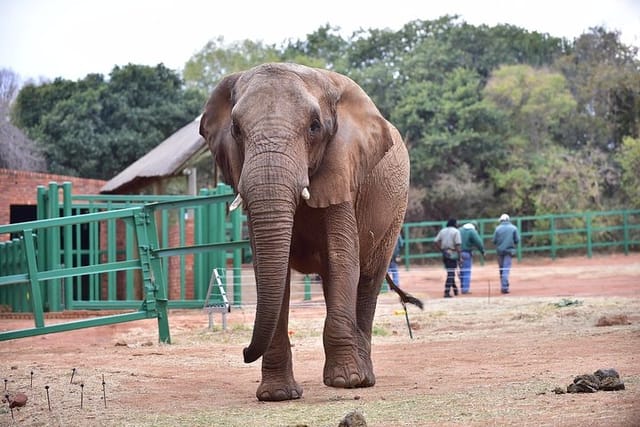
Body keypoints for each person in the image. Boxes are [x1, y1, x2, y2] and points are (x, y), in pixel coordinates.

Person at [492, 213, 520, 294]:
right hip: (509, 251)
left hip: (500, 251)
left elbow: (494, 240)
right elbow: (517, 240)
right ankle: (504, 287)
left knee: (501, 269)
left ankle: (504, 285)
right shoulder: (514, 228)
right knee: (506, 269)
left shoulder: (497, 229)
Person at [434, 218, 462, 298]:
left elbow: (435, 241)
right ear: (454, 224)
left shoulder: (443, 231)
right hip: (453, 253)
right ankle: (446, 292)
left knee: (450, 272)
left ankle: (455, 289)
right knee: (451, 273)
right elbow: (458, 245)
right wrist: (460, 257)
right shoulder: (456, 232)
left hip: (445, 254)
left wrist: (442, 250)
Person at [459, 221, 485, 294]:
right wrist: (482, 251)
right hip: (467, 253)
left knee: (461, 271)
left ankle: (462, 286)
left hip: (458, 253)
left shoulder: (459, 230)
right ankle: (465, 289)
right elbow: (478, 242)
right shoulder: (472, 231)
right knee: (467, 271)